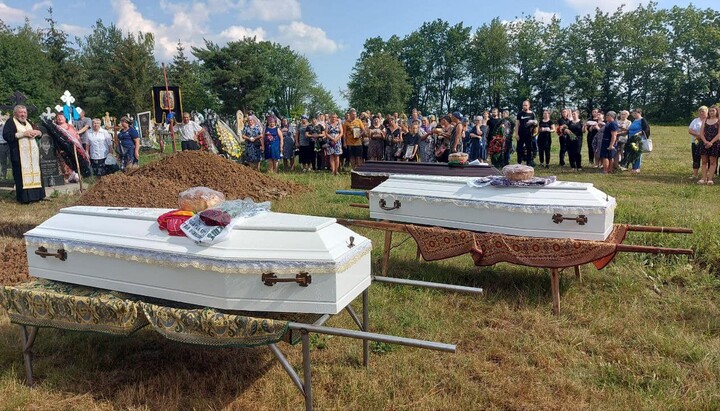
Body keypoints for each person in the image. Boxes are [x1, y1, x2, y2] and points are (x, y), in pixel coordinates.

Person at [2, 105, 45, 203]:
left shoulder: (29, 121)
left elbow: (38, 131)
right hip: (19, 154)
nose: (23, 114)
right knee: (21, 175)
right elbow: (6, 135)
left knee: (36, 174)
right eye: (21, 112)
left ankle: (38, 196)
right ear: (15, 113)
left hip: (32, 155)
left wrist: (39, 133)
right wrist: (22, 134)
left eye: (25, 112)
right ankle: (25, 199)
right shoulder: (11, 122)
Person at [698, 105, 720, 185]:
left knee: (712, 162)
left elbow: (719, 134)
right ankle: (703, 178)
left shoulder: (719, 121)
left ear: (716, 111)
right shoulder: (705, 120)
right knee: (704, 161)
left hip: (715, 143)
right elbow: (701, 133)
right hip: (704, 143)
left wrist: (711, 142)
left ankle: (710, 179)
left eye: (713, 111)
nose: (711, 112)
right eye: (710, 111)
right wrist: (705, 141)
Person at [626, 108, 650, 173]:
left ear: (639, 113)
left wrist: (639, 133)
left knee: (637, 153)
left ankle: (637, 167)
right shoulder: (634, 120)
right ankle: (633, 167)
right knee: (633, 152)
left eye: (635, 113)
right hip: (631, 138)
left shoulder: (642, 120)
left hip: (638, 139)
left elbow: (646, 129)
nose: (633, 114)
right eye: (633, 113)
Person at [688, 106, 708, 179]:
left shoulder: (709, 120)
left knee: (706, 159)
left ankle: (706, 175)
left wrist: (703, 137)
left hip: (706, 142)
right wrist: (699, 135)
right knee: (696, 157)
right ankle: (695, 174)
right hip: (696, 142)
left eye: (703, 111)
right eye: (700, 111)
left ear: (707, 112)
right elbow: (690, 130)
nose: (701, 113)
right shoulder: (695, 120)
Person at [515, 100, 536, 166]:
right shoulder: (519, 114)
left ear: (529, 106)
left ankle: (528, 163)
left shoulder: (532, 114)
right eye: (523, 105)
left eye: (526, 105)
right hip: (521, 134)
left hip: (529, 135)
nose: (524, 106)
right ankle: (519, 163)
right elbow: (517, 124)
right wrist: (516, 134)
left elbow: (535, 125)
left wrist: (534, 133)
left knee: (529, 148)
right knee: (519, 149)